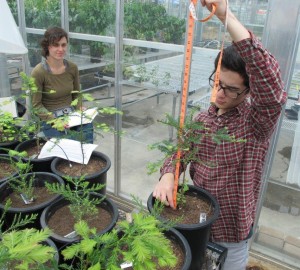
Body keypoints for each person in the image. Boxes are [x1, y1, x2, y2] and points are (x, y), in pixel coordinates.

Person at [153, 0, 287, 269]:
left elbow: (270, 86)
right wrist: (169, 174)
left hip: (231, 233)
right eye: (217, 82)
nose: (220, 93)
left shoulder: (256, 124)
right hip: (195, 218)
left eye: (231, 89)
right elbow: (180, 151)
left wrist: (226, 16)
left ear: (249, 91)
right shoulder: (202, 119)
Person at [31, 26, 94, 143]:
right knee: (66, 145)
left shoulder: (72, 68)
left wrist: (79, 107)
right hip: (50, 117)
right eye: (56, 45)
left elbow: (76, 94)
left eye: (63, 45)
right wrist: (54, 120)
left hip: (71, 114)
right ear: (47, 46)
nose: (60, 49)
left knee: (86, 138)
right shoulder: (39, 72)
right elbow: (37, 105)